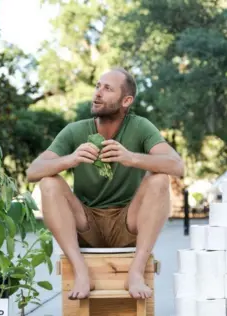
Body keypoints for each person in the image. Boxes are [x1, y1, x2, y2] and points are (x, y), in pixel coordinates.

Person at [26, 67, 184, 300]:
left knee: (159, 178)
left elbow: (177, 166)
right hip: (86, 223)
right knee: (49, 183)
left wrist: (131, 157)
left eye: (108, 88)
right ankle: (81, 271)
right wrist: (71, 159)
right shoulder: (75, 131)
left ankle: (136, 271)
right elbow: (33, 172)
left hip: (126, 222)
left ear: (126, 100)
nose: (98, 93)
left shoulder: (140, 127)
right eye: (98, 86)